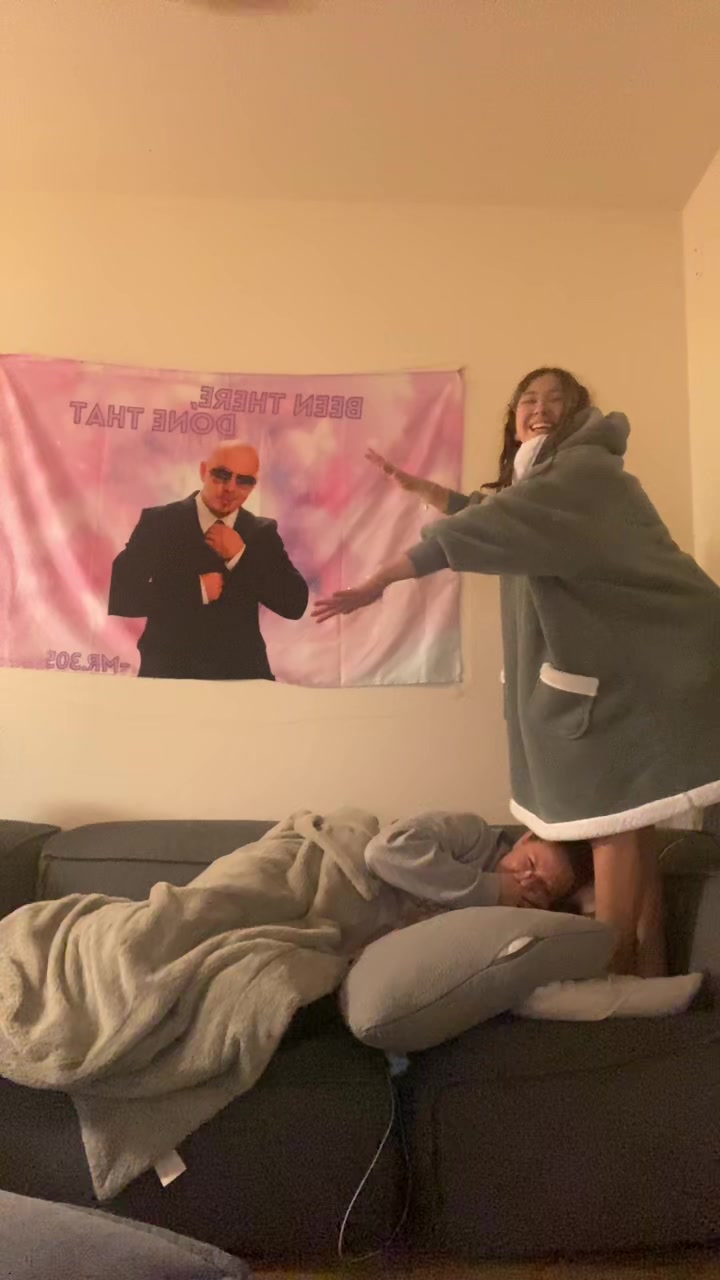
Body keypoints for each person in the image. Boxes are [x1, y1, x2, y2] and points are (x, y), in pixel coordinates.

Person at [313, 368, 720, 975]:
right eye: (528, 399)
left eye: (556, 399)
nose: (540, 407)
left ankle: (613, 974)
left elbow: (497, 522)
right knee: (631, 829)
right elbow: (499, 512)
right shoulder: (550, 488)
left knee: (611, 827)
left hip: (616, 694)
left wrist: (382, 579)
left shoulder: (582, 475)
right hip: (615, 690)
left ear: (577, 415)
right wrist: (429, 491)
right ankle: (652, 977)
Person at [109, 441, 308, 680]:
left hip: (242, 677)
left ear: (254, 485)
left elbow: (294, 604)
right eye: (222, 475)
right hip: (169, 673)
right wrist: (196, 590)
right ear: (203, 471)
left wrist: (241, 557)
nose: (230, 488)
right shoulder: (159, 522)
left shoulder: (261, 533)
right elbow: (122, 596)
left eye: (243, 481)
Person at [364, 811, 594, 917]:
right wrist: (495, 889)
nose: (526, 880)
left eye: (543, 888)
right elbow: (383, 851)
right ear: (524, 839)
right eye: (530, 863)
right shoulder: (475, 835)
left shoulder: (513, 915)